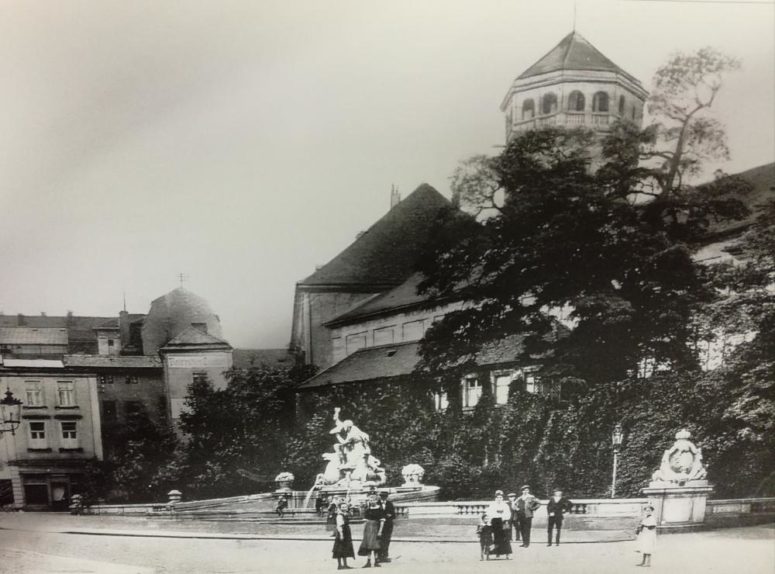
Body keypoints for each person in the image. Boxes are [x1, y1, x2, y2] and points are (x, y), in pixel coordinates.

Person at [357, 492, 385, 568]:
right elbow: (365, 521)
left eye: (373, 500)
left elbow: (382, 521)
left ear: (376, 500)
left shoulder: (380, 509)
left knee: (375, 545)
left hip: (376, 528)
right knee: (368, 545)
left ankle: (376, 561)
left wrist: (380, 531)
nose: (371, 501)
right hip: (368, 529)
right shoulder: (368, 509)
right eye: (370, 500)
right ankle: (368, 562)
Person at [485, 490, 512, 558]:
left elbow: (508, 514)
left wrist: (504, 518)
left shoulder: (505, 505)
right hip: (495, 522)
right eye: (498, 497)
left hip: (503, 522)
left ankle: (507, 554)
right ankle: (497, 553)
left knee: (505, 538)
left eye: (500, 497)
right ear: (495, 498)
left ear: (502, 498)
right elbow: (489, 513)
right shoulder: (492, 505)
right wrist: (490, 521)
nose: (499, 499)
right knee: (496, 537)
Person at [332, 502, 355, 570]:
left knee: (345, 548)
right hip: (342, 532)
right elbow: (339, 525)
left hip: (346, 532)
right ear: (340, 508)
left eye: (345, 507)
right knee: (339, 548)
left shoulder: (345, 514)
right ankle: (339, 565)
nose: (344, 508)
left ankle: (345, 564)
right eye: (343, 507)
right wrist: (341, 534)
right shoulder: (339, 515)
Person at [377, 491, 395, 564]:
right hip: (379, 525)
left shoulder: (390, 504)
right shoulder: (377, 504)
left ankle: (385, 556)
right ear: (380, 496)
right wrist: (384, 516)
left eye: (385, 497)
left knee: (387, 540)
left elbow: (394, 515)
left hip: (388, 525)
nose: (383, 498)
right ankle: (379, 556)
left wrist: (390, 515)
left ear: (387, 497)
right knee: (379, 540)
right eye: (382, 496)